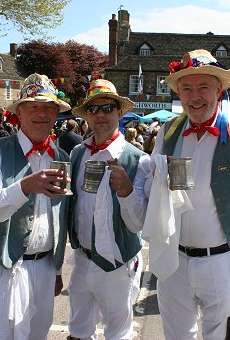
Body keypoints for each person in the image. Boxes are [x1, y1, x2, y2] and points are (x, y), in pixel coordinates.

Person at [143, 49, 230, 339]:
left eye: (203, 88)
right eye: (187, 89)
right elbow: (155, 189)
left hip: (222, 262)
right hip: (175, 260)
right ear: (179, 93)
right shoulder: (168, 131)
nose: (194, 97)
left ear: (219, 90)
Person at [0, 73, 72, 340]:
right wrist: (23, 188)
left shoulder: (61, 157)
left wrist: (57, 270)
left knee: (39, 335)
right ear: (20, 113)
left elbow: (60, 219)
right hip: (2, 268)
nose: (42, 114)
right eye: (33, 106)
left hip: (45, 269)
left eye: (49, 107)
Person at [66, 79, 151, 340]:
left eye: (107, 107)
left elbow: (138, 225)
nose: (100, 114)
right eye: (93, 109)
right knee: (79, 329)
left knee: (118, 333)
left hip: (118, 263)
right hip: (82, 258)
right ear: (87, 116)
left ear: (119, 112)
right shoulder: (78, 154)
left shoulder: (139, 160)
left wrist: (125, 191)